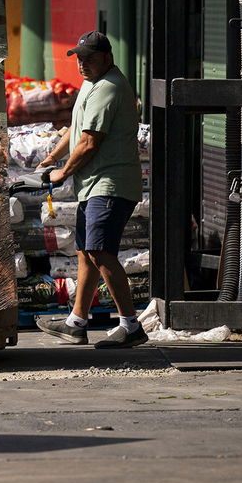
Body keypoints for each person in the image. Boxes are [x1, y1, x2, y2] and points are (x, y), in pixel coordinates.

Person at [34, 31, 147, 350]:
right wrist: (53, 156)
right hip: (94, 184)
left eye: (90, 58)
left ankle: (131, 325)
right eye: (79, 59)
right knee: (85, 252)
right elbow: (76, 126)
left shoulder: (109, 88)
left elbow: (89, 142)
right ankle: (76, 323)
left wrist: (62, 173)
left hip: (110, 184)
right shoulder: (91, 83)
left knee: (100, 251)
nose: (83, 64)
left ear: (108, 57)